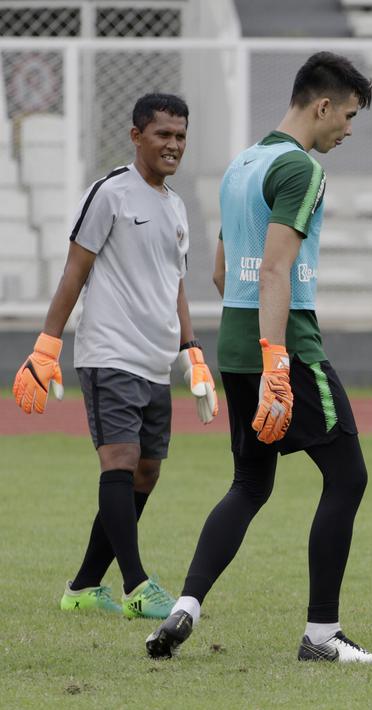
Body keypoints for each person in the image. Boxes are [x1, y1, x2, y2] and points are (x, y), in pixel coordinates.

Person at [144, 52, 372, 665]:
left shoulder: (242, 165)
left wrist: (255, 352)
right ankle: (322, 636)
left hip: (234, 343)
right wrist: (278, 363)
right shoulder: (301, 170)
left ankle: (186, 606)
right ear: (322, 106)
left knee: (251, 483)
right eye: (349, 116)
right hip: (287, 349)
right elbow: (276, 267)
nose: (349, 130)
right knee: (348, 475)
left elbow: (226, 272)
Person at [12, 93, 216, 620]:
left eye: (180, 136)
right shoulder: (110, 194)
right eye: (162, 135)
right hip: (109, 354)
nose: (173, 145)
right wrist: (47, 345)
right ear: (136, 136)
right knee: (119, 462)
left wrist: (191, 350)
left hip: (154, 362)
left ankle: (82, 587)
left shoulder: (175, 205)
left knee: (145, 472)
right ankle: (137, 584)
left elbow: (176, 284)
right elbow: (74, 271)